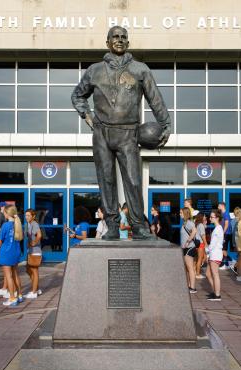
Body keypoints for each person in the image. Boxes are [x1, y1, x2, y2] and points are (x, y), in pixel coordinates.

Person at [71, 26, 171, 240]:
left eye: (123, 37)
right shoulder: (94, 70)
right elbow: (78, 96)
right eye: (115, 37)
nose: (119, 40)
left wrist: (166, 123)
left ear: (128, 42)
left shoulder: (140, 69)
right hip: (102, 134)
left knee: (134, 181)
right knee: (106, 181)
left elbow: (155, 99)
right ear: (107, 42)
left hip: (129, 133)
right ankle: (112, 226)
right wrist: (87, 117)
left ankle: (138, 226)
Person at [0, 206, 23, 307]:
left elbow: (0, 241)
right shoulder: (18, 224)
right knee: (15, 274)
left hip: (6, 252)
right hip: (15, 252)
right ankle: (19, 294)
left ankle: (12, 298)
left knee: (8, 276)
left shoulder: (6, 225)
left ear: (7, 214)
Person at [206, 210, 224, 301]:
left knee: (215, 274)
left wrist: (206, 251)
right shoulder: (217, 228)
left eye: (211, 217)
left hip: (215, 254)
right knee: (208, 274)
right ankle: (215, 291)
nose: (210, 218)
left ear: (217, 218)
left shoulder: (218, 229)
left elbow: (213, 244)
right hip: (213, 254)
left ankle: (217, 295)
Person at [25, 209, 43, 299]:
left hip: (35, 251)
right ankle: (37, 289)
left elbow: (39, 235)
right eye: (26, 215)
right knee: (28, 270)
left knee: (34, 271)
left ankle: (34, 291)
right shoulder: (30, 224)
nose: (26, 217)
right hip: (31, 251)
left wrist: (34, 243)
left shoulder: (34, 224)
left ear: (33, 216)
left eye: (28, 215)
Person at [180, 207, 198, 293]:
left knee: (190, 268)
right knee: (188, 268)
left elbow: (194, 231)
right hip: (186, 248)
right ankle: (189, 285)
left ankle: (193, 288)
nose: (180, 214)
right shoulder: (185, 223)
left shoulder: (189, 223)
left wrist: (188, 241)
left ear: (185, 213)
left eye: (181, 213)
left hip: (190, 248)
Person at [194, 212, 207, 279]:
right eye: (204, 216)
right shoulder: (201, 225)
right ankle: (198, 274)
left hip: (196, 243)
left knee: (196, 259)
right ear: (201, 217)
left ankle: (194, 272)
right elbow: (203, 236)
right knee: (200, 258)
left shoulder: (196, 224)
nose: (205, 217)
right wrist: (206, 244)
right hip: (201, 243)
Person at [217, 202, 229, 270]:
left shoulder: (226, 214)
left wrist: (223, 233)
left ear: (222, 206)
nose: (218, 207)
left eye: (219, 206)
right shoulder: (222, 214)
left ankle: (226, 264)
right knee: (223, 249)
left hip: (226, 233)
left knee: (224, 249)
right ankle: (224, 263)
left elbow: (226, 224)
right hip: (223, 233)